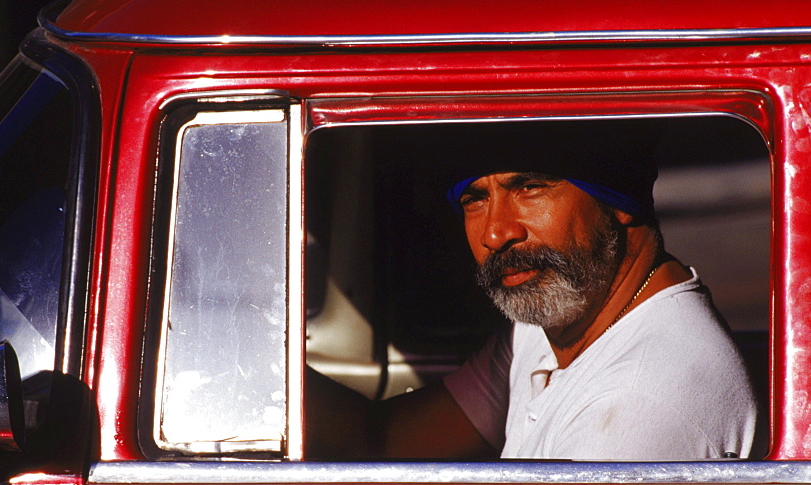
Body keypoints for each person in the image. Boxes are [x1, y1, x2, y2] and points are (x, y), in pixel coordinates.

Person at [305, 121, 757, 461]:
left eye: (531, 187)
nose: (496, 233)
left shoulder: (639, 404)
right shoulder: (546, 328)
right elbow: (383, 440)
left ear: (618, 201)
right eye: (475, 199)